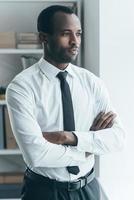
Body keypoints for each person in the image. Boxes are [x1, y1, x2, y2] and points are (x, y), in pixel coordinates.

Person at [6, 5, 125, 200]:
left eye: (78, 34)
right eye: (65, 34)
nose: (74, 41)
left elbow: (118, 138)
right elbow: (36, 154)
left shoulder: (92, 82)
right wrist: (88, 148)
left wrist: (69, 138)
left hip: (88, 188)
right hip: (44, 191)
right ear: (43, 37)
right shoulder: (21, 88)